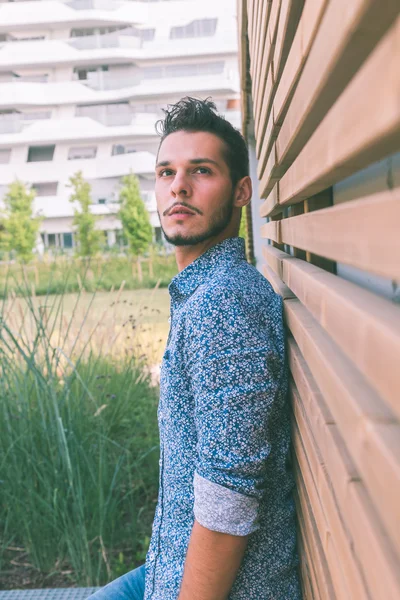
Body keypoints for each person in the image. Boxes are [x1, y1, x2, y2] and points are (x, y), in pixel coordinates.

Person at [91, 97, 301, 600]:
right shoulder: (204, 291)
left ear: (240, 192)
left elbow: (229, 496)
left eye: (201, 171)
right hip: (167, 565)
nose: (178, 186)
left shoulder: (222, 303)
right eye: (166, 172)